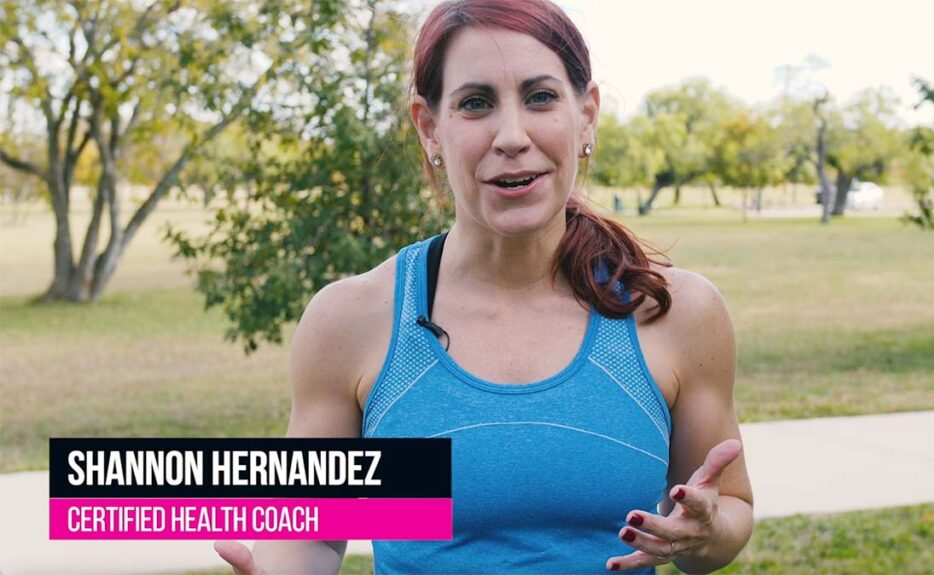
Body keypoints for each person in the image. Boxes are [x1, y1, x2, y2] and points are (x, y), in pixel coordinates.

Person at [215, 0, 753, 573]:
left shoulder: (675, 311)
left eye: (540, 97)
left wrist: (705, 531)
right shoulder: (351, 320)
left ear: (586, 115)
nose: (512, 136)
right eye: (476, 104)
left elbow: (731, 513)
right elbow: (314, 532)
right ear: (430, 128)